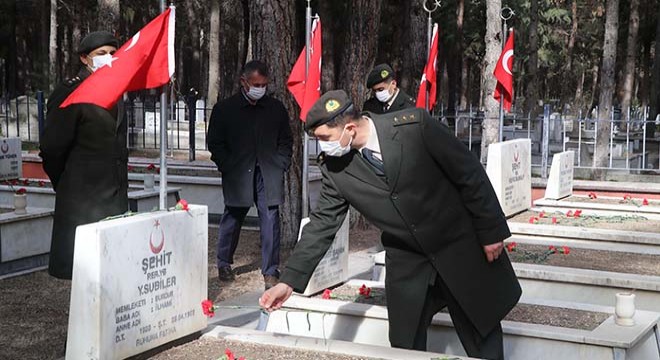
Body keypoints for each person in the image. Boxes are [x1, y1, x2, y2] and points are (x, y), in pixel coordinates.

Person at [260, 90, 521, 359]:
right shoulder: (335, 168)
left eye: (325, 138)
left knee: (481, 330)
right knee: (404, 343)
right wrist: (288, 281)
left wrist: (491, 232)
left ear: (349, 128)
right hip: (408, 262)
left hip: (457, 245)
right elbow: (323, 223)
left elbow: (468, 173)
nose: (322, 146)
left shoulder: (414, 127)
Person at [40, 31, 127, 280]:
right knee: (85, 274)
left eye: (113, 53)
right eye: (101, 54)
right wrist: (68, 184)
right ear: (84, 58)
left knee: (111, 272)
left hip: (114, 197)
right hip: (83, 199)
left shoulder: (115, 89)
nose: (108, 58)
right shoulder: (70, 92)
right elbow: (52, 148)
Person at [207, 60, 293, 290]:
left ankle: (270, 270)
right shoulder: (225, 109)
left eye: (264, 84)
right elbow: (215, 143)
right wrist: (227, 165)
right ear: (243, 82)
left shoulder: (275, 108)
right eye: (256, 84)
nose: (260, 88)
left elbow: (286, 140)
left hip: (268, 172)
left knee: (270, 218)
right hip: (238, 173)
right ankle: (224, 262)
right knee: (233, 217)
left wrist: (281, 163)